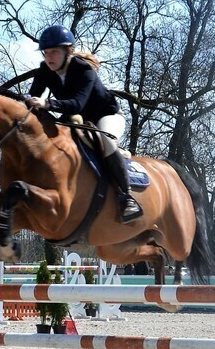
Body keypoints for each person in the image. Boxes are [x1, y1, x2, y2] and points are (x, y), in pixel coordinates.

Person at [25, 25, 143, 223]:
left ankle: (127, 197)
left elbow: (77, 103)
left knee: (105, 141)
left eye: (54, 51)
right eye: (46, 53)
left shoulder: (83, 70)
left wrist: (48, 103)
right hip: (78, 119)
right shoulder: (45, 70)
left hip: (106, 115)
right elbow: (32, 95)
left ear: (68, 51)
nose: (49, 57)